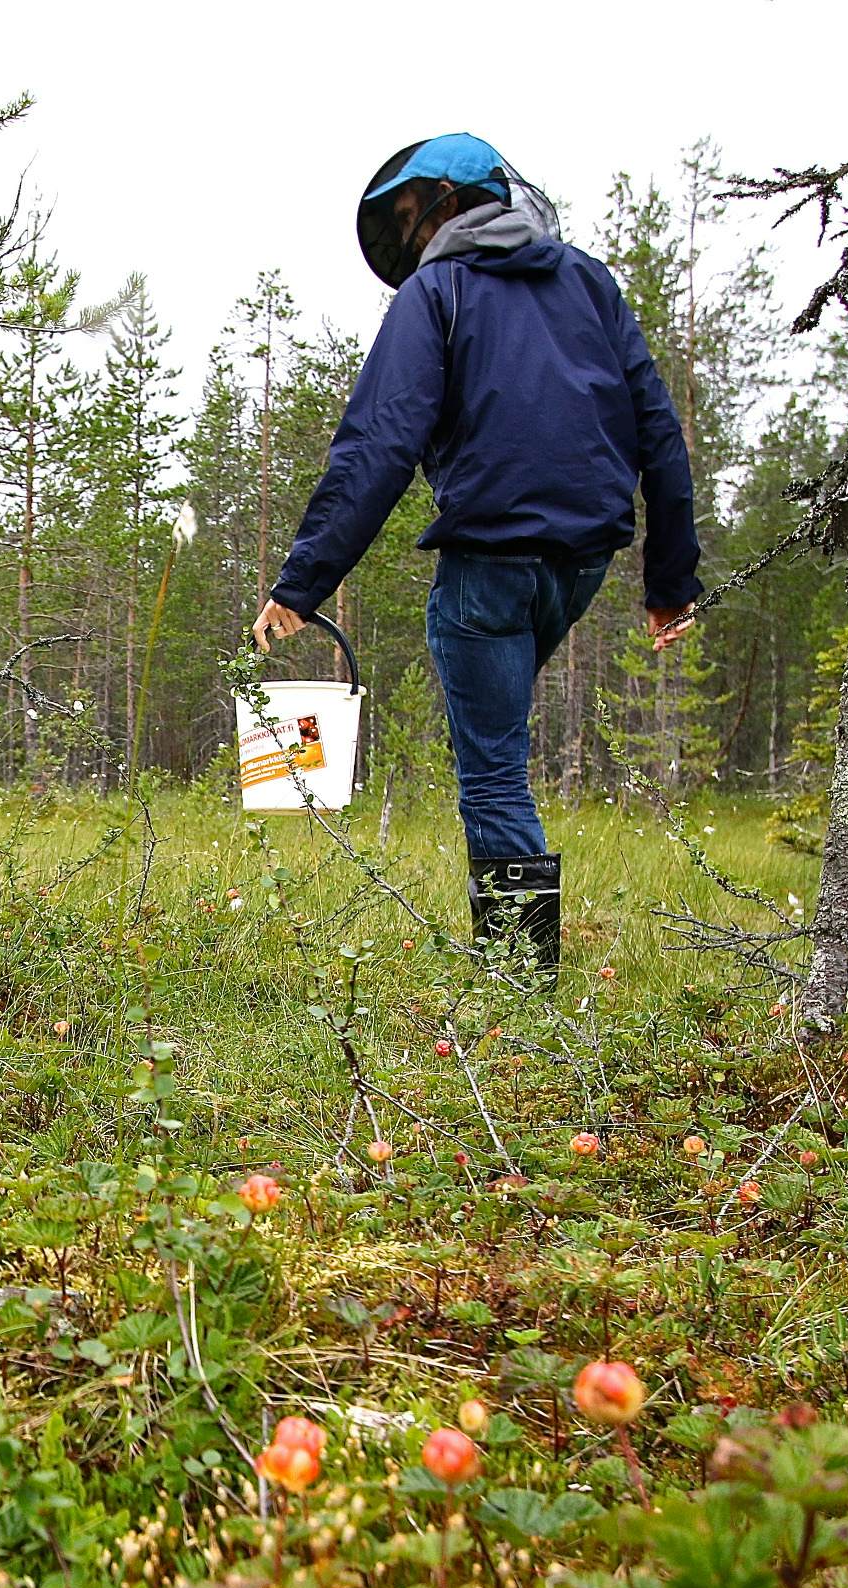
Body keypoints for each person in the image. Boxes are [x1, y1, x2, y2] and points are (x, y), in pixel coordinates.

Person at [253, 133, 698, 977]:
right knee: (501, 753)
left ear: (457, 203)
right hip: (581, 563)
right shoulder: (588, 282)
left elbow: (378, 445)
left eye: (418, 218)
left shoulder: (439, 292)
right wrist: (669, 577)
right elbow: (657, 434)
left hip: (491, 564)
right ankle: (520, 964)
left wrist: (302, 585)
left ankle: (521, 979)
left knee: (494, 773)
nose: (415, 239)